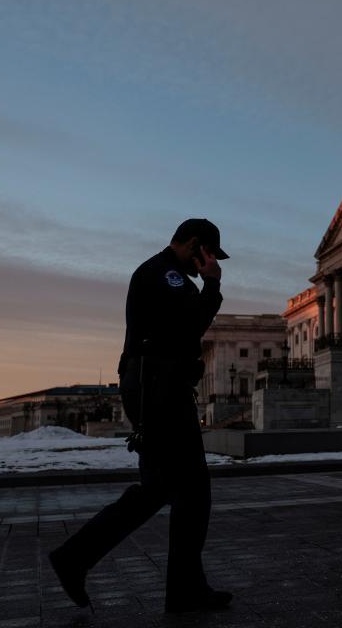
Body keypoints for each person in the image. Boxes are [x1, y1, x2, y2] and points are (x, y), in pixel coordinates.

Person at [49, 218, 233, 613]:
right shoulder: (166, 275)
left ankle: (76, 558)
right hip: (159, 389)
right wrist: (213, 284)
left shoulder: (160, 273)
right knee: (192, 491)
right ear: (197, 246)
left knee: (162, 489)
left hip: (155, 386)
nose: (210, 262)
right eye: (210, 255)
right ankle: (183, 590)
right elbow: (190, 327)